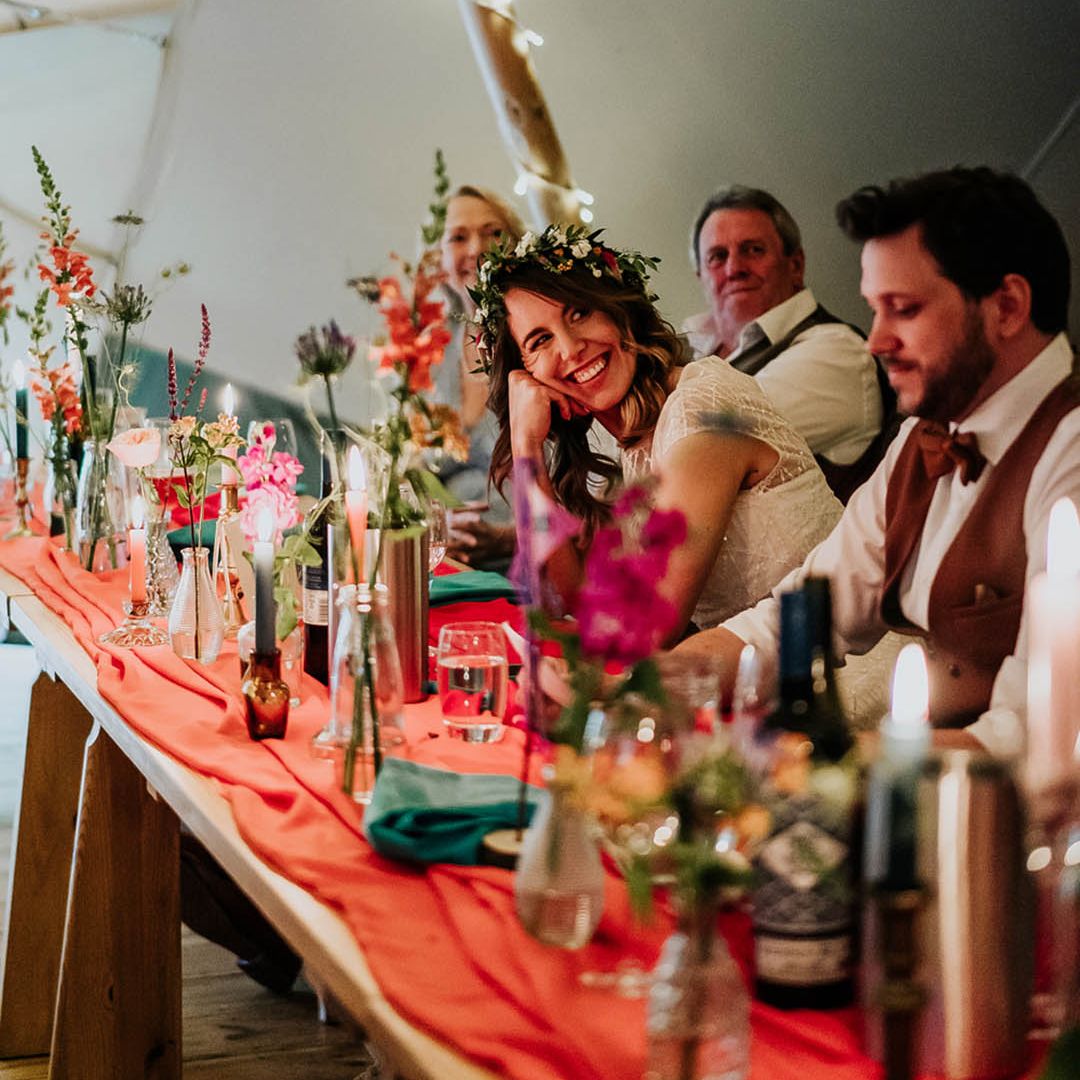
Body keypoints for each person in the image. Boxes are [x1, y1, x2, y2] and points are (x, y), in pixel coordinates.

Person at [679, 166, 1078, 756]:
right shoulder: (923, 436)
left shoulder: (1070, 450)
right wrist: (644, 687)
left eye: (904, 309)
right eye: (874, 309)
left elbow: (1035, 732)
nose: (876, 341)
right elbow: (802, 616)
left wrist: (820, 764)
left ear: (1008, 306)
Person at [475, 224, 844, 637]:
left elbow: (649, 629)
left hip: (837, 665)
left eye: (580, 312)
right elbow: (568, 603)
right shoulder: (629, 438)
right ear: (524, 374)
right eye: (540, 340)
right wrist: (526, 448)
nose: (570, 347)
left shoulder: (702, 408)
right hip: (750, 667)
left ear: (620, 311)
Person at [685, 185, 895, 502]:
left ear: (795, 265)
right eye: (718, 257)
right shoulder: (691, 345)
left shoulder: (837, 351)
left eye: (753, 250)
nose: (734, 268)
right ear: (701, 276)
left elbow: (705, 441)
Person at [434, 185, 525, 567]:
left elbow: (590, 492)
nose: (476, 249)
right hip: (448, 562)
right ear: (439, 261)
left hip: (531, 566)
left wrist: (507, 540)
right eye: (459, 237)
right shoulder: (434, 350)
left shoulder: (539, 341)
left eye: (493, 233)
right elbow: (413, 469)